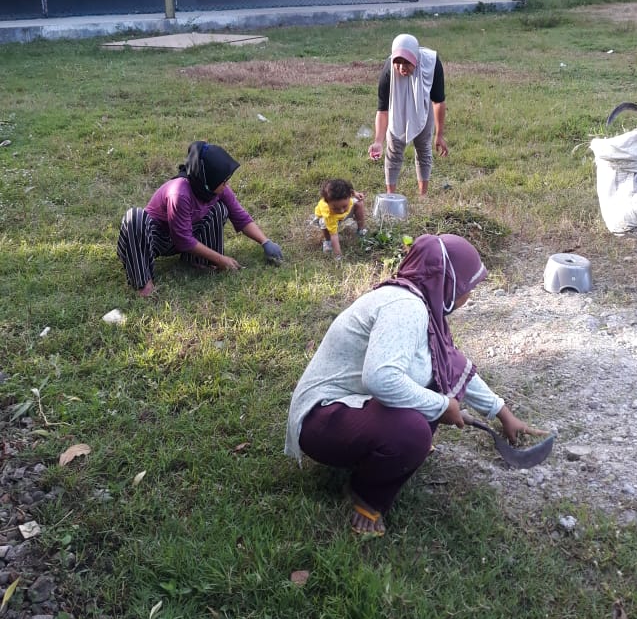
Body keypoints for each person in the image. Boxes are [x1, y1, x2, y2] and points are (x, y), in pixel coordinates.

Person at [285, 234, 547, 536]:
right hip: (320, 422)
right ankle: (366, 494)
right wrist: (442, 406)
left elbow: (451, 365)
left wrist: (502, 412)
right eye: (467, 287)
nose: (469, 295)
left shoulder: (419, 303)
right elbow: (379, 378)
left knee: (430, 390)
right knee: (411, 432)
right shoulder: (405, 308)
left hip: (349, 410)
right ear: (446, 281)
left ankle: (386, 451)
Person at [117, 141, 283, 297]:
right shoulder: (179, 192)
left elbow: (239, 216)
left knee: (219, 209)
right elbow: (183, 239)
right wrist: (221, 259)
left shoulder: (214, 189)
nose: (226, 184)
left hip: (183, 235)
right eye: (223, 180)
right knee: (134, 217)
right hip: (154, 240)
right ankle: (143, 283)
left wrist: (265, 241)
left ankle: (198, 262)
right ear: (208, 178)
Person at [368, 33, 448, 196]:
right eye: (398, 62)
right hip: (398, 109)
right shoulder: (388, 70)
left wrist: (439, 135)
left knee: (424, 149)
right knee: (393, 150)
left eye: (407, 63)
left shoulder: (431, 64)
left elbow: (438, 101)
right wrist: (378, 141)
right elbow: (383, 110)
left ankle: (423, 196)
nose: (402, 67)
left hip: (423, 108)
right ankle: (391, 196)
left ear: (416, 60)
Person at [313, 178, 367, 258]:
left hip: (344, 213)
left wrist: (355, 194)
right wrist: (338, 256)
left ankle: (361, 230)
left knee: (359, 203)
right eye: (336, 208)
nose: (341, 210)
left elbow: (351, 191)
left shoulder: (348, 197)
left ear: (349, 196)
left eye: (344, 206)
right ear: (328, 203)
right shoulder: (328, 213)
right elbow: (334, 235)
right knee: (324, 223)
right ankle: (328, 241)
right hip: (328, 218)